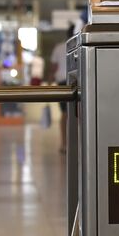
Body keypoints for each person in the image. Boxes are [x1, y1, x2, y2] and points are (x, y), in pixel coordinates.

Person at [49, 24, 74, 154]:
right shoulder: (77, 45)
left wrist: (49, 81)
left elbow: (53, 67)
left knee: (64, 114)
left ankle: (64, 143)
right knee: (77, 113)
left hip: (62, 82)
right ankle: (78, 143)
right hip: (76, 81)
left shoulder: (58, 47)